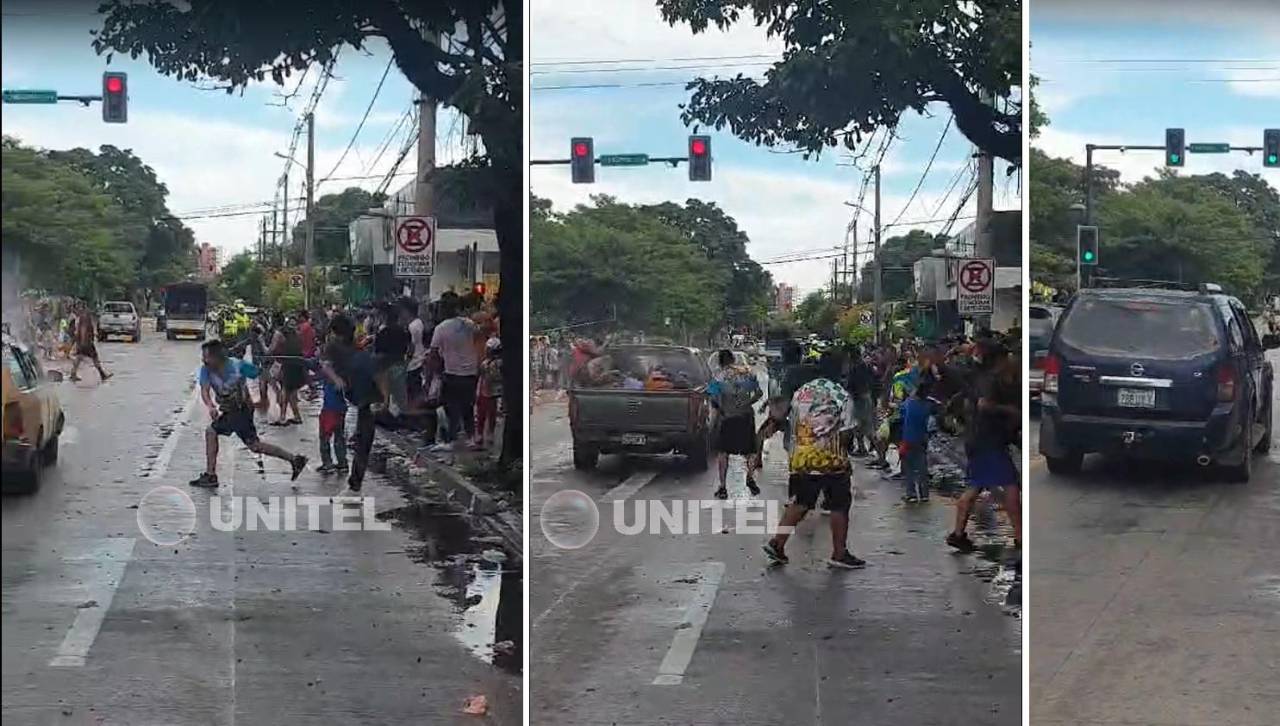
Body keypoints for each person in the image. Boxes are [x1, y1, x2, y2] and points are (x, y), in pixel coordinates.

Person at [762, 352, 865, 570]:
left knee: (801, 502)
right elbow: (847, 432)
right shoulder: (840, 395)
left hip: (802, 456)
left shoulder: (802, 392)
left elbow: (794, 421)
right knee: (839, 505)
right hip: (831, 460)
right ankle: (839, 553)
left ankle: (777, 543)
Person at [189, 339, 307, 488]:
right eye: (203, 357)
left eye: (207, 357)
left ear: (218, 356)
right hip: (233, 411)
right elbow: (205, 391)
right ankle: (294, 459)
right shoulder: (206, 370)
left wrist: (275, 392)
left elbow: (262, 374)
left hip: (240, 409)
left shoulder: (237, 366)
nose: (204, 360)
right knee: (255, 445)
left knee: (211, 431)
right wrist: (211, 406)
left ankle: (211, 475)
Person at [947, 340, 1021, 552]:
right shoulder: (990, 380)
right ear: (1000, 358)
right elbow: (985, 405)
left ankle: (958, 534)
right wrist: (1011, 411)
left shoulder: (982, 376)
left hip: (981, 440)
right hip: (987, 441)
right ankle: (1020, 538)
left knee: (975, 485)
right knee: (1010, 486)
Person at [323, 314, 379, 492]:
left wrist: (336, 379)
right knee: (364, 438)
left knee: (363, 438)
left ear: (336, 333)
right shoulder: (353, 346)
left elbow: (325, 365)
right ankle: (355, 483)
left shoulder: (334, 346)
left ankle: (355, 484)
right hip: (366, 393)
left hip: (365, 394)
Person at [706, 349, 764, 499]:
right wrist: (747, 402)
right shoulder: (747, 373)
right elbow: (759, 394)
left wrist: (722, 410)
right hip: (746, 416)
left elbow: (714, 400)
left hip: (728, 418)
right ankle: (750, 477)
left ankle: (723, 487)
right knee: (750, 451)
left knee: (723, 453)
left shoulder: (718, 378)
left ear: (720, 361)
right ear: (733, 360)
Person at [429, 294, 481, 451]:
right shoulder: (469, 324)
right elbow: (478, 339)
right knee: (468, 406)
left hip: (451, 372)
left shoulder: (441, 328)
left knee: (452, 407)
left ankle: (451, 439)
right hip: (471, 372)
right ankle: (472, 437)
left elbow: (433, 352)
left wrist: (433, 374)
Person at [899, 381, 934, 503]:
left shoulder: (908, 403)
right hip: (921, 439)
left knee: (909, 467)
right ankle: (924, 494)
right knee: (922, 467)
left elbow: (901, 414)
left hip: (907, 439)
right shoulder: (927, 405)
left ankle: (911, 494)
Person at [269, 316, 305, 426]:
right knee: (292, 391)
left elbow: (271, 349)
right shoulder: (298, 334)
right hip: (297, 364)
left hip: (286, 363)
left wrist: (261, 343)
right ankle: (296, 416)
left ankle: (283, 417)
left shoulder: (279, 334)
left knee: (285, 389)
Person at [69, 304, 112, 383]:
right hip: (86, 342)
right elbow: (83, 330)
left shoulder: (81, 317)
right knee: (94, 357)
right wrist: (84, 341)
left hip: (83, 341)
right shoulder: (85, 317)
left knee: (79, 357)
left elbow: (80, 330)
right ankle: (102, 374)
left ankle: (73, 374)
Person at [845, 348, 875, 457]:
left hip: (859, 399)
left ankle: (871, 448)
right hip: (867, 397)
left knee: (860, 426)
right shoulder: (867, 367)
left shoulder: (854, 368)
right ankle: (864, 448)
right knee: (864, 426)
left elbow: (850, 385)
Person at [475, 337, 503, 449]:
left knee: (491, 414)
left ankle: (488, 433)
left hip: (493, 391)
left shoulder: (498, 363)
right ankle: (481, 434)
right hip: (484, 389)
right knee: (481, 414)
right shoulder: (486, 363)